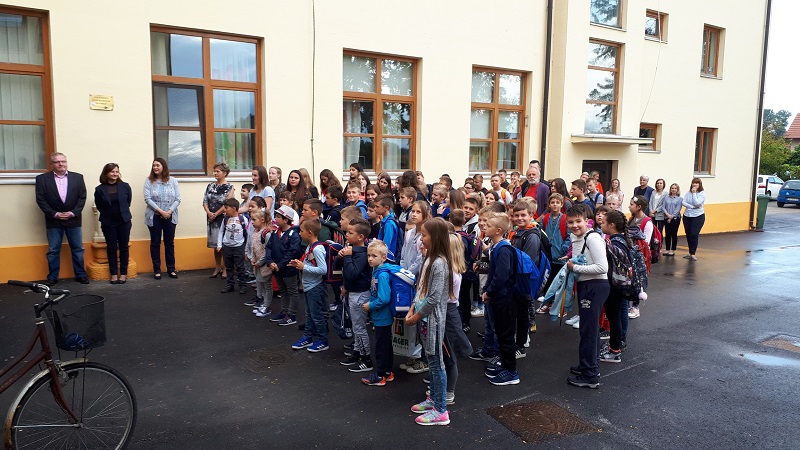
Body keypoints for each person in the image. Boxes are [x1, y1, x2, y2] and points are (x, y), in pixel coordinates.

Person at [406, 217, 453, 426]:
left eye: (424, 235)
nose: (421, 238)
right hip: (424, 319)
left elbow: (433, 298)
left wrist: (415, 316)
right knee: (432, 362)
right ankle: (434, 399)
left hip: (432, 321)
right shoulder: (429, 259)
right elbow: (421, 290)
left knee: (436, 365)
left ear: (434, 237)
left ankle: (441, 410)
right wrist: (413, 309)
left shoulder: (439, 263)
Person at [565, 205, 609, 389]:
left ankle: (590, 375)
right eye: (570, 222)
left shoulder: (593, 238)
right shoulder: (578, 237)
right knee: (588, 330)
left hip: (594, 286)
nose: (574, 225)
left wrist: (575, 268)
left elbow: (602, 267)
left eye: (578, 221)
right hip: (587, 285)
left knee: (589, 331)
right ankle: (588, 366)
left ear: (587, 221)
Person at [481, 212, 524, 386]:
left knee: (506, 336)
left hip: (505, 298)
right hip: (500, 297)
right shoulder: (496, 246)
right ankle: (506, 366)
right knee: (501, 332)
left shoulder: (504, 249)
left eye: (489, 225)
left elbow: (501, 276)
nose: (485, 227)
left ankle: (511, 372)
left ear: (498, 230)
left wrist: (489, 292)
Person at [35, 152, 89, 285]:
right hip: (54, 220)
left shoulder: (78, 177)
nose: (61, 164)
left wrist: (73, 212)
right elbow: (41, 199)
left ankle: (81, 275)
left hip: (73, 219)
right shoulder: (42, 179)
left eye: (63, 161)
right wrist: (54, 214)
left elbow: (82, 197)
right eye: (57, 162)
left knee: (78, 248)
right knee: (53, 250)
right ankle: (53, 277)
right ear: (51, 164)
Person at [289, 219, 329, 353]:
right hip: (309, 286)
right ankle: (308, 337)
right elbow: (310, 263)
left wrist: (304, 267)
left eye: (301, 231)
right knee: (309, 314)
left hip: (315, 287)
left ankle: (323, 340)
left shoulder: (317, 249)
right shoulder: (310, 247)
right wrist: (299, 264)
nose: (300, 233)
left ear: (310, 233)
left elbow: (323, 269)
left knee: (316, 315)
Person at [339, 218, 373, 371]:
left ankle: (366, 359)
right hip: (352, 292)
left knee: (359, 328)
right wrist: (341, 255)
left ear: (360, 237)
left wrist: (347, 256)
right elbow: (341, 269)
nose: (346, 234)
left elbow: (352, 273)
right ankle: (357, 352)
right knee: (356, 326)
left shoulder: (361, 254)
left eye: (350, 232)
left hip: (360, 294)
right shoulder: (351, 250)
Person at [360, 240, 395, 385]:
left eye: (374, 256)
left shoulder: (382, 275)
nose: (370, 259)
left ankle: (380, 375)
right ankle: (387, 372)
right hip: (381, 316)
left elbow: (384, 298)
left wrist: (370, 306)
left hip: (382, 316)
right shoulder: (377, 271)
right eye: (369, 255)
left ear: (384, 257)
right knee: (385, 344)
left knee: (381, 346)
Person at [599, 210, 630, 364]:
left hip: (615, 286)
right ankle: (614, 346)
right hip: (620, 285)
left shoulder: (614, 243)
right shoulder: (622, 240)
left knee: (614, 318)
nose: (601, 223)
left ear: (611, 225)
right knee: (615, 317)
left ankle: (614, 351)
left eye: (604, 222)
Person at [94, 163, 133, 284]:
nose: (115, 174)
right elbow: (99, 206)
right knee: (111, 248)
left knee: (124, 247)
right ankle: (114, 274)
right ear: (106, 173)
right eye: (112, 172)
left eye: (117, 171)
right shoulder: (99, 189)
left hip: (124, 222)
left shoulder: (125, 186)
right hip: (108, 223)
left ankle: (124, 274)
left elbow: (128, 202)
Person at [144, 157, 181, 280]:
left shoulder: (173, 181)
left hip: (170, 216)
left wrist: (169, 212)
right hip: (154, 216)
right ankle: (157, 270)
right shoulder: (149, 181)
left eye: (158, 165)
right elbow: (147, 199)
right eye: (154, 165)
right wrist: (161, 212)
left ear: (163, 167)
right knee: (155, 243)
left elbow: (178, 199)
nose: (155, 167)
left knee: (169, 243)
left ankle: (171, 269)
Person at [268, 206, 302, 325]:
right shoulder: (275, 233)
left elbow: (292, 252)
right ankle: (284, 311)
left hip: (288, 269)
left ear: (286, 220)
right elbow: (268, 248)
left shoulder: (293, 235)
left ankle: (291, 315)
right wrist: (270, 262)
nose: (275, 219)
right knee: (283, 290)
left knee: (292, 291)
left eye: (278, 217)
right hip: (276, 269)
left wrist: (279, 265)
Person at [203, 162, 234, 278]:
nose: (215, 173)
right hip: (211, 219)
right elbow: (205, 201)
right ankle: (217, 267)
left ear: (225, 173)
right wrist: (209, 212)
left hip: (222, 218)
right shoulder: (210, 186)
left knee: (223, 244)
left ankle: (225, 268)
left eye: (218, 171)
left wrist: (216, 213)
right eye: (214, 171)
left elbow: (228, 203)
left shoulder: (230, 187)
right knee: (215, 245)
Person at [627, 195, 653, 320]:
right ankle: (628, 304)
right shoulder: (631, 219)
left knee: (639, 281)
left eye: (631, 204)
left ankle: (635, 307)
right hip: (630, 254)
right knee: (629, 280)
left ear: (639, 207)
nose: (629, 206)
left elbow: (645, 242)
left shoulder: (647, 222)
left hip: (640, 257)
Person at [217, 198, 250, 295]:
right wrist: (219, 244)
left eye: (226, 208)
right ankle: (230, 285)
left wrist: (246, 248)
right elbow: (221, 232)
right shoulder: (226, 219)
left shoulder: (243, 219)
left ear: (234, 208)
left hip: (238, 247)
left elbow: (247, 233)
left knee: (240, 267)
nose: (224, 210)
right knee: (229, 267)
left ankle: (242, 285)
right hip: (227, 246)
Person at [248, 209, 274, 316]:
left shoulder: (266, 234)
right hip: (257, 263)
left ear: (262, 220)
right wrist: (252, 259)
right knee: (261, 283)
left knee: (267, 285)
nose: (252, 222)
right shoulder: (256, 232)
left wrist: (260, 262)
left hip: (264, 264)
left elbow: (268, 251)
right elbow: (253, 247)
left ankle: (267, 306)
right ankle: (264, 303)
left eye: (254, 220)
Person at [682, 178, 706, 261]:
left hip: (698, 216)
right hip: (687, 215)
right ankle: (690, 252)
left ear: (699, 184)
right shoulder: (688, 193)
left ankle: (693, 253)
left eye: (697, 183)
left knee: (694, 234)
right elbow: (683, 202)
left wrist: (694, 193)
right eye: (693, 183)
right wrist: (692, 207)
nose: (695, 184)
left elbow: (697, 203)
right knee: (688, 234)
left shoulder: (702, 194)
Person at [662, 183, 683, 256]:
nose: (673, 190)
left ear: (677, 190)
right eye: (672, 188)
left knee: (674, 233)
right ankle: (667, 249)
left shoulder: (680, 199)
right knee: (667, 234)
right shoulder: (666, 198)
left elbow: (678, 209)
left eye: (675, 188)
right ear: (670, 189)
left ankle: (673, 249)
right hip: (666, 217)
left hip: (675, 218)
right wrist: (667, 215)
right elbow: (663, 207)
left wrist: (671, 217)